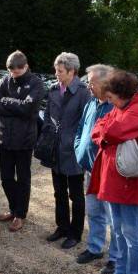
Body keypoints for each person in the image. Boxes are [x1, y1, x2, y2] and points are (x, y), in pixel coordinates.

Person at [88, 70, 138, 274]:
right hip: (115, 180)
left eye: (111, 97)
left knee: (132, 234)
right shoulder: (122, 107)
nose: (109, 101)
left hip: (129, 182)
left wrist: (105, 134)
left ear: (121, 93)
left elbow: (112, 130)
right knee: (118, 231)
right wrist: (105, 134)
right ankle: (121, 273)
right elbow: (98, 128)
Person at [0, 51, 45, 232]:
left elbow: (28, 108)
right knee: (5, 178)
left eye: (17, 72)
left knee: (23, 179)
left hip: (24, 140)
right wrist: (16, 105)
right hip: (3, 138)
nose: (14, 75)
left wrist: (5, 102)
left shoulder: (36, 83)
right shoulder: (5, 81)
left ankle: (20, 214)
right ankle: (13, 209)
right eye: (11, 72)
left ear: (26, 67)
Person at [73, 64, 118, 274]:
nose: (88, 86)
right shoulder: (90, 102)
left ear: (105, 83)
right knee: (94, 212)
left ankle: (116, 259)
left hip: (108, 174)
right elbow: (81, 128)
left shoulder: (116, 106)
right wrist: (78, 148)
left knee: (114, 218)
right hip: (90, 170)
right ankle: (95, 248)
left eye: (91, 82)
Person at [44, 52, 90, 249]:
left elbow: (87, 124)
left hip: (73, 152)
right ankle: (62, 227)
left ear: (72, 72)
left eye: (60, 71)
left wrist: (76, 143)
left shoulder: (83, 92)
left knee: (76, 195)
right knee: (59, 192)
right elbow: (47, 116)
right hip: (56, 149)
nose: (56, 74)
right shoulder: (54, 89)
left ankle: (75, 233)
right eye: (56, 70)